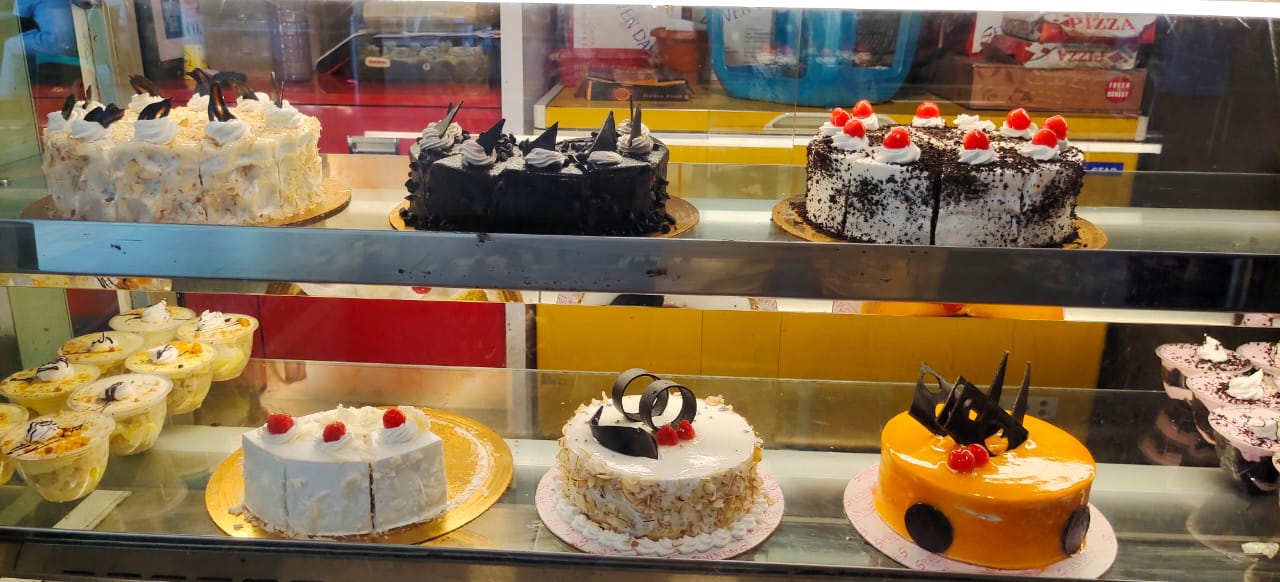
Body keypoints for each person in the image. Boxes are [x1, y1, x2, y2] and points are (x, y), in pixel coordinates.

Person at [0, 0, 78, 98]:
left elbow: (15, 23)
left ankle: (7, 97)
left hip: (57, 43)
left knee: (11, 45)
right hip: (78, 39)